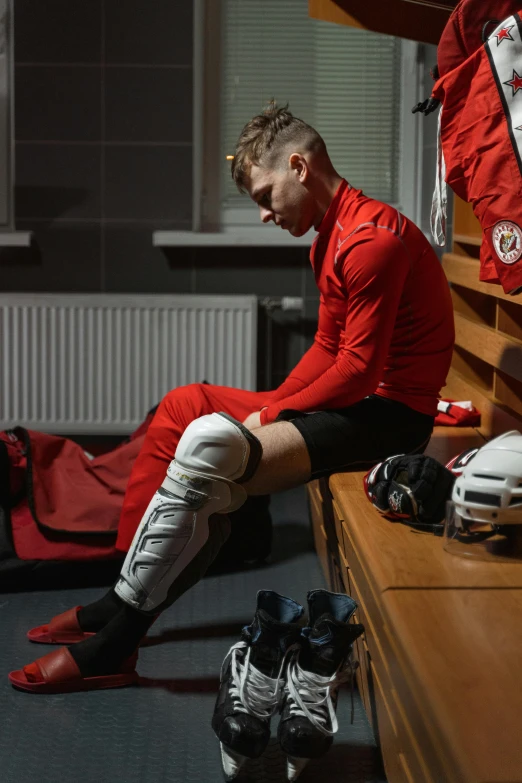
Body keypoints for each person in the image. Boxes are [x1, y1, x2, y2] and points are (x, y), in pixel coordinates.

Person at [8, 103, 455, 694]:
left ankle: (117, 638)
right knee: (187, 406)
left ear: (299, 166)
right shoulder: (332, 237)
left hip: (391, 417)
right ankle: (118, 591)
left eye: (268, 195)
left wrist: (268, 415)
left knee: (212, 449)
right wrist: (271, 406)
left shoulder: (371, 240)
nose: (267, 214)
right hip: (357, 400)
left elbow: (356, 369)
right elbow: (326, 347)